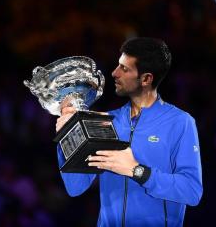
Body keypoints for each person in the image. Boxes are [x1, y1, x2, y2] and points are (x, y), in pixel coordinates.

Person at [56, 37, 203, 226]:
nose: (114, 73)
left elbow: (191, 191)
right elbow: (75, 187)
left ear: (146, 78)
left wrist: (137, 171)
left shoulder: (180, 122)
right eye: (118, 65)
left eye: (124, 69)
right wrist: (68, 135)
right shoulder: (106, 121)